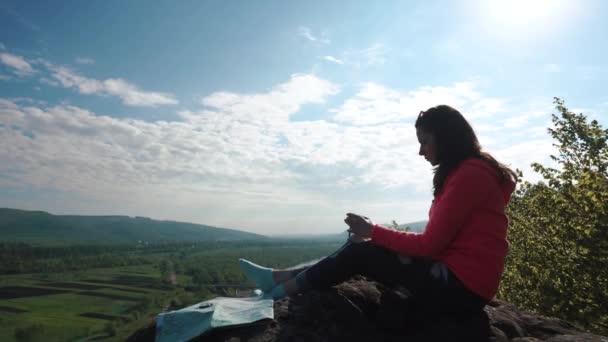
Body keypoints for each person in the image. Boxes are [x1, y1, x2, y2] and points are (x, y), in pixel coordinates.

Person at [239, 105, 517, 318]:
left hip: (460, 289)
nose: (421, 151)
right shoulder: (469, 173)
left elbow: (430, 245)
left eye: (424, 141)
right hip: (459, 279)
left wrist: (373, 231)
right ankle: (278, 278)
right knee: (364, 246)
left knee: (361, 251)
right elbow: (440, 242)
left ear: (445, 139)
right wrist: (377, 236)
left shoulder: (469, 176)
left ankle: (275, 294)